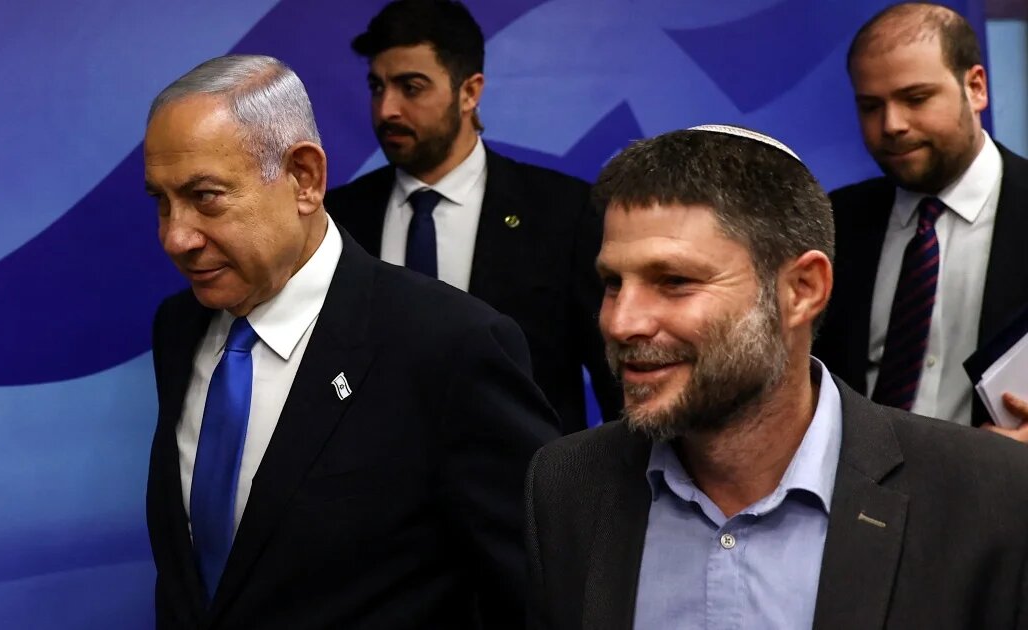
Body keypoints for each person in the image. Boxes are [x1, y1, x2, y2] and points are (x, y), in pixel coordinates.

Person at [524, 127, 1028, 629]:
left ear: (802, 290)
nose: (620, 321)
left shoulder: (990, 497)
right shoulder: (568, 486)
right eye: (613, 283)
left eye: (674, 281)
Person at [143, 54, 558, 629]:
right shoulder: (179, 328)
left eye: (205, 196)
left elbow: (536, 590)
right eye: (161, 202)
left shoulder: (449, 346)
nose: (175, 236)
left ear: (304, 179)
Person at [325, 0, 620, 434]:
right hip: (371, 489)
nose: (387, 109)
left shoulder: (564, 212)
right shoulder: (339, 217)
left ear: (469, 91)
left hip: (523, 487)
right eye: (376, 87)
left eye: (411, 87)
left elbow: (615, 371)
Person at [813, 2, 1028, 440]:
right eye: (871, 106)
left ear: (976, 87)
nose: (891, 125)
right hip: (855, 494)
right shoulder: (834, 222)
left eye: (915, 98)